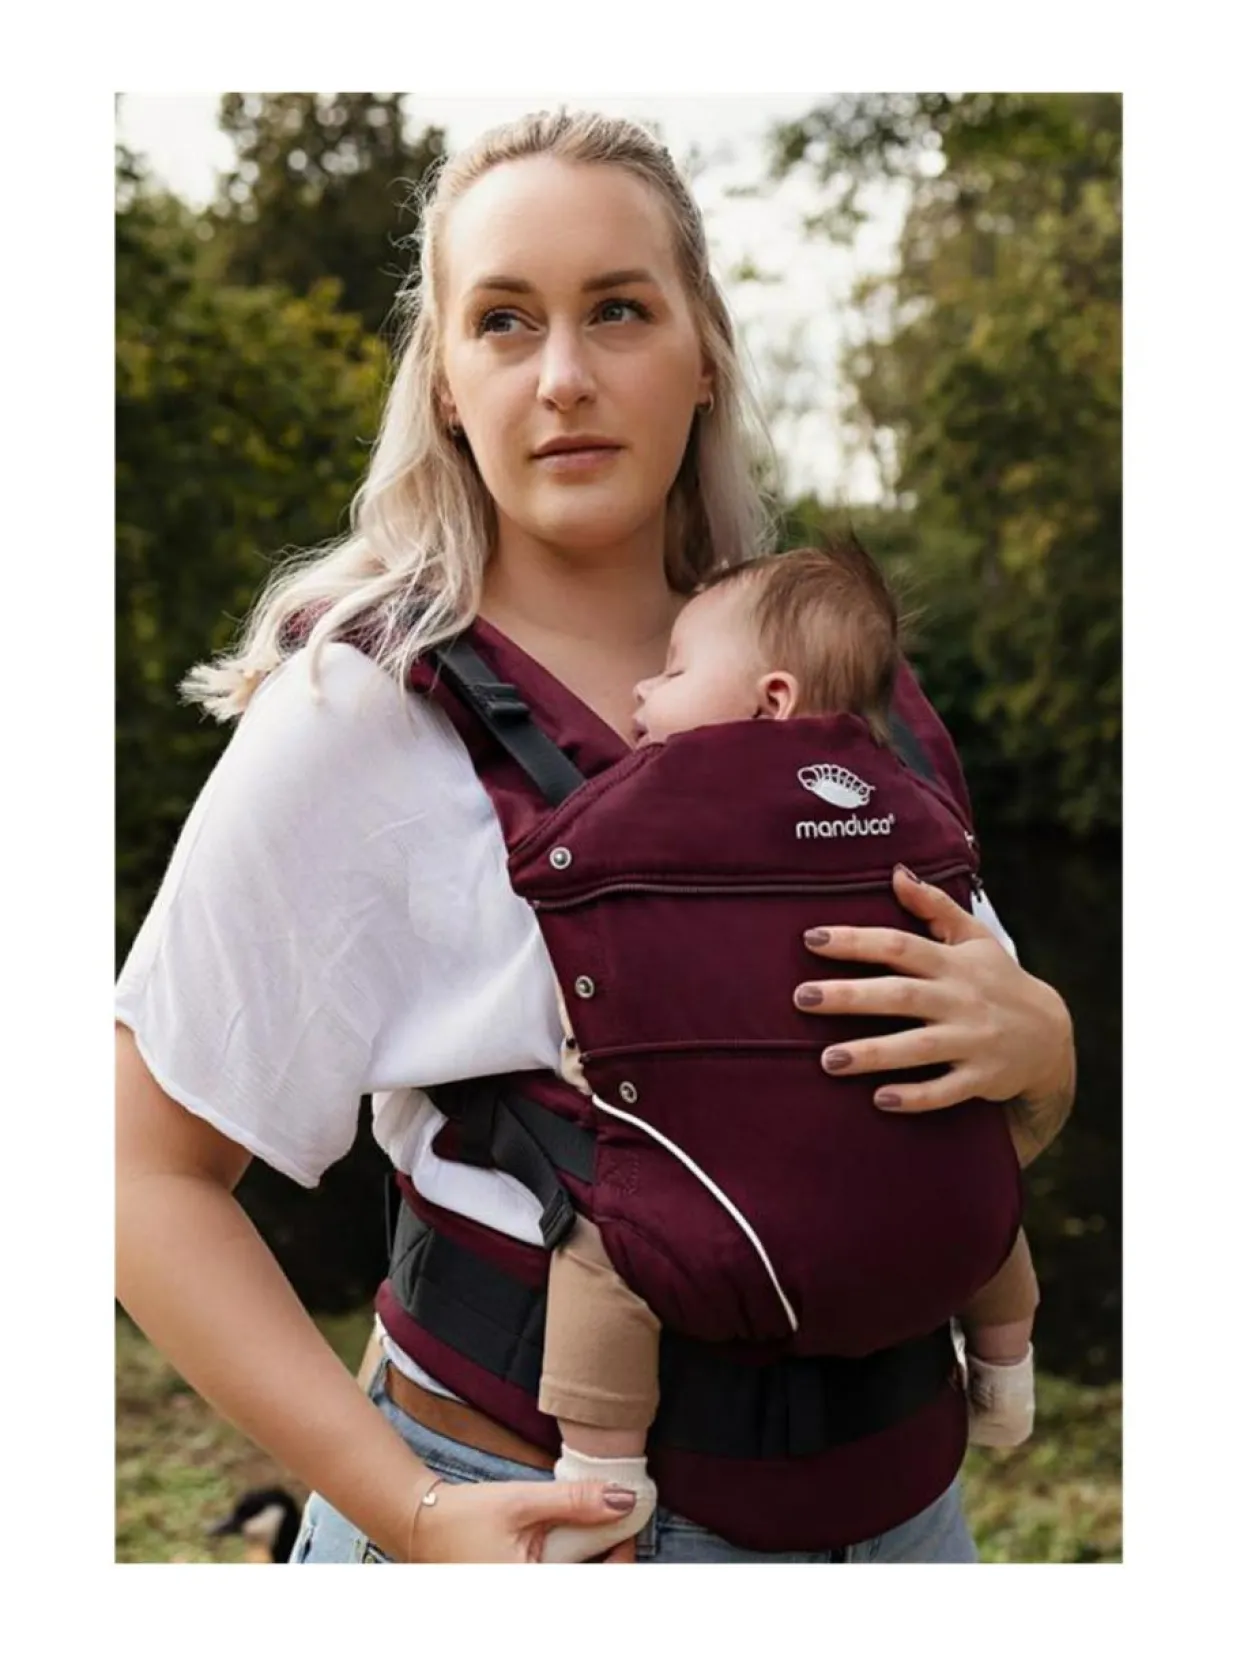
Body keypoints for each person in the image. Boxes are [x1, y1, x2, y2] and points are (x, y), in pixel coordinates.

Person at [115, 108, 1075, 1564]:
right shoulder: (359, 713)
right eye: (505, 321)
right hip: (546, 1529)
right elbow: (135, 1176)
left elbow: (967, 1103)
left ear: (704, 355)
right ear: (447, 385)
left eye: (618, 310)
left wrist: (1044, 1047)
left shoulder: (831, 686)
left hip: (904, 1518)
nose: (563, 376)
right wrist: (410, 1514)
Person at [536, 536, 1039, 1563]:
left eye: (674, 670)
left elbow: (593, 984)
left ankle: (602, 1472)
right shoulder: (911, 811)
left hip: (722, 1207)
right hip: (915, 1177)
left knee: (603, 1252)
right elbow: (978, 967)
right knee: (980, 1186)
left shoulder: (643, 826)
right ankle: (1007, 1373)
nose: (643, 691)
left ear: (771, 700)